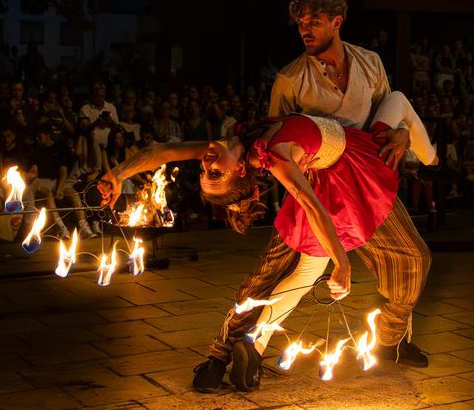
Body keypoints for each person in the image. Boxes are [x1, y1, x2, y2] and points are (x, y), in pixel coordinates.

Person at [99, 91, 435, 391]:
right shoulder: (273, 154)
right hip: (348, 172)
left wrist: (118, 174)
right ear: (240, 171)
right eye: (214, 173)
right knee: (399, 101)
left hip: (329, 176)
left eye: (204, 172)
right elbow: (310, 204)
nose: (206, 165)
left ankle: (255, 343)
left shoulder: (238, 143)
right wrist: (342, 262)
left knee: (303, 274)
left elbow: (163, 151)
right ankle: (432, 157)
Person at [192, 0, 434, 392]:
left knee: (413, 258)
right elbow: (271, 144)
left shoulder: (371, 63)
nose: (304, 28)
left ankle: (392, 340)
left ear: (336, 22)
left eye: (313, 21)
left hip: (364, 179)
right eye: (300, 22)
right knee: (273, 273)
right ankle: (220, 355)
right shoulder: (290, 79)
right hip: (313, 183)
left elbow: (387, 113)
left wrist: (404, 138)